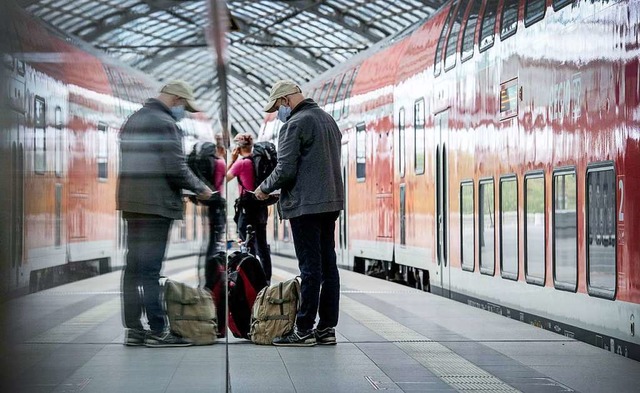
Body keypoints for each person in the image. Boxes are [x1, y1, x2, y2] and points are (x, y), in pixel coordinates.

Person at [117, 80, 213, 347]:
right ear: (176, 99)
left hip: (133, 205)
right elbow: (174, 167)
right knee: (150, 270)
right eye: (182, 104)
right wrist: (201, 189)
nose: (181, 109)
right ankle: (159, 330)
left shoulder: (133, 120)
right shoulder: (165, 123)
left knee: (133, 267)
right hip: (156, 207)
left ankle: (134, 330)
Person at [254, 80, 343, 346]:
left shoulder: (294, 124)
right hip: (329, 204)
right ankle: (326, 328)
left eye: (278, 106)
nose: (279, 112)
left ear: (285, 101)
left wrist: (263, 188)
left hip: (305, 207)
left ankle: (303, 329)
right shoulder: (328, 120)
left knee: (310, 268)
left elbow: (285, 170)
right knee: (329, 267)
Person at [226, 133, 272, 282]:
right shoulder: (259, 161)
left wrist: (232, 160)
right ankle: (266, 280)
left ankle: (251, 279)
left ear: (238, 148)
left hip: (247, 208)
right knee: (262, 246)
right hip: (260, 207)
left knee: (247, 245)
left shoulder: (241, 163)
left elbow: (222, 179)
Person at [205, 136, 227, 260]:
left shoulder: (213, 162)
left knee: (212, 240)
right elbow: (218, 184)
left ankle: (210, 270)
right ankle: (212, 271)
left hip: (210, 203)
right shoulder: (220, 162)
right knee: (214, 241)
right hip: (216, 204)